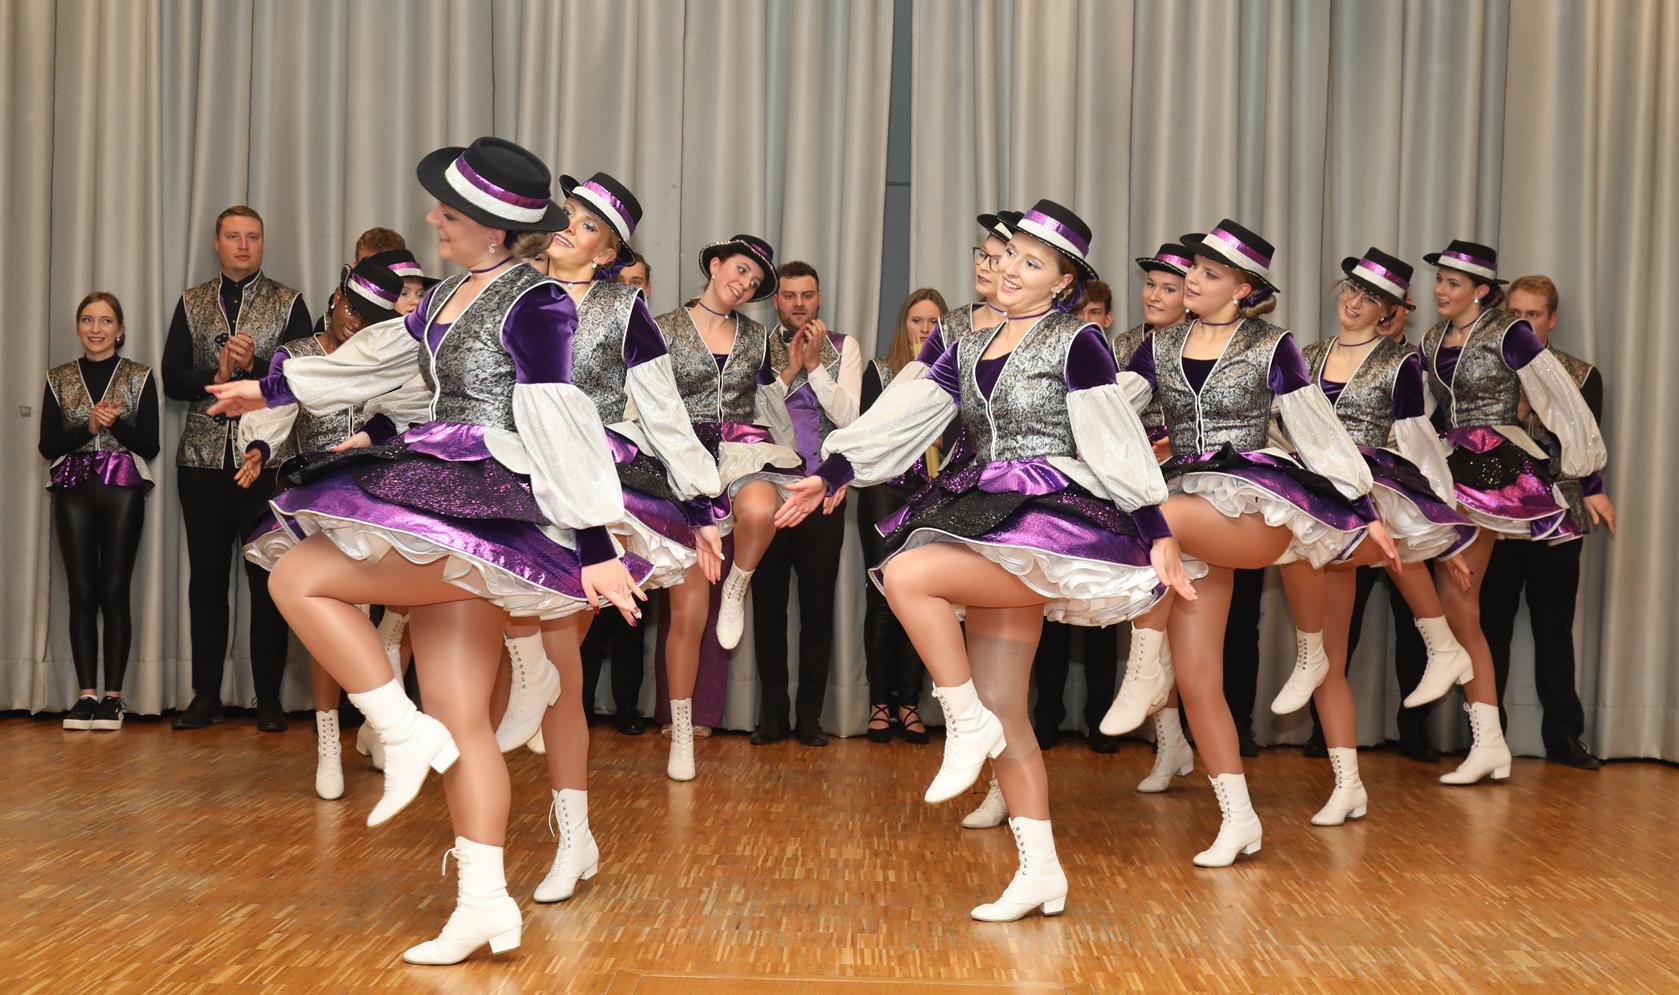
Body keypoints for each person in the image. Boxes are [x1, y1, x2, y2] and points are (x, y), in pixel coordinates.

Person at [209, 136, 648, 965]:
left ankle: (395, 726)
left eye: (446, 212)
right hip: (442, 491)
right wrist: (264, 388)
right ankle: (484, 902)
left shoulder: (537, 303)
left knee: (299, 574)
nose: (431, 221)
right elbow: (373, 361)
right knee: (461, 717)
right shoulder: (444, 293)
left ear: (488, 225)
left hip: (483, 498)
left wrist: (594, 543)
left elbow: (559, 420)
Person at [780, 199, 1196, 921]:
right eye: (1008, 255)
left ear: (1062, 282)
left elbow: (1112, 435)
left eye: (1032, 263)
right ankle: (1041, 871)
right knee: (1008, 707)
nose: (1010, 269)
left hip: (1045, 518)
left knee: (907, 574)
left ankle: (960, 716)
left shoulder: (1077, 341)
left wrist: (1155, 526)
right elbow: (907, 415)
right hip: (980, 512)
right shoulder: (966, 344)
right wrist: (836, 470)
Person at [1100, 220, 1399, 865]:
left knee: (1154, 513)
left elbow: (1316, 428)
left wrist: (1362, 504)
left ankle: (1143, 668)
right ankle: (1239, 820)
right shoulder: (1160, 345)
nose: (1192, 281)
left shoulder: (1272, 345)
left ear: (1241, 289)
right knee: (1200, 679)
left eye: (1208, 274)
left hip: (1251, 507)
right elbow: (1113, 407)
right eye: (1192, 270)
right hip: (1188, 513)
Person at [509, 170, 723, 903]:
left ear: (606, 254)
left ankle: (574, 837)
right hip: (509, 473)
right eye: (568, 212)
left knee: (560, 665)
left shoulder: (623, 309)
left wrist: (703, 499)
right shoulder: (510, 288)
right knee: (498, 655)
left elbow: (664, 412)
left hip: (587, 482)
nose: (569, 225)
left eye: (589, 224)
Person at [1277, 248, 1480, 825]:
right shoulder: (1308, 355)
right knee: (1329, 656)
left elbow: (1418, 442)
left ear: (1389, 311)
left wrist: (1444, 526)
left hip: (1371, 482)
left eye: (1370, 297)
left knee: (1385, 532)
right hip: (1315, 489)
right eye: (1351, 290)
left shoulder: (1400, 363)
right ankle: (1348, 784)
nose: (1354, 301)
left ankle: (1441, 643)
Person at [1417, 241, 1612, 785]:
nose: (1441, 290)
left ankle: (1490, 730)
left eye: (1454, 283)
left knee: (1467, 602)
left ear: (1481, 290)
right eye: (1440, 280)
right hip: (1452, 468)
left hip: (1498, 474)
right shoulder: (1432, 338)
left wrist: (1590, 478)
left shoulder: (1509, 334)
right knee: (1459, 602)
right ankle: (1486, 734)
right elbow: (1426, 413)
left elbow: (1561, 402)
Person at [235, 257, 405, 798]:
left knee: (390, 618)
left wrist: (373, 438)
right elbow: (273, 411)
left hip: (377, 493)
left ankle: (381, 727)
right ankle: (329, 743)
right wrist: (258, 449)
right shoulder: (298, 355)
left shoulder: (382, 357)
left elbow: (396, 414)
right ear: (336, 297)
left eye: (371, 318)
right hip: (319, 499)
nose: (356, 322)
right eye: (352, 309)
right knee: (336, 620)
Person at [651, 234, 800, 779]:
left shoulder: (758, 338)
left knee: (761, 512)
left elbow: (770, 403)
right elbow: (646, 401)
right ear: (714, 265)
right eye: (739, 271)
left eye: (754, 283)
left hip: (739, 451)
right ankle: (682, 731)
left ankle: (739, 583)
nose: (744, 284)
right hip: (680, 459)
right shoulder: (663, 327)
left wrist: (797, 466)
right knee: (688, 616)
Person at [162, 204, 311, 732]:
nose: (243, 245)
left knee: (267, 578)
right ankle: (205, 696)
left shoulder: (288, 302)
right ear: (217, 243)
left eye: (252, 236)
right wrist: (219, 371)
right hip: (201, 461)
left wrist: (255, 367)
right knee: (206, 580)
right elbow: (173, 379)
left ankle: (268, 698)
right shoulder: (192, 301)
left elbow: (304, 378)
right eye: (233, 236)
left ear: (263, 243)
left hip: (266, 461)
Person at [1478, 273, 1610, 770]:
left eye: (1531, 314)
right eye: (1513, 313)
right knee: (1490, 629)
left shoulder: (1581, 375)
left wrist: (1536, 405)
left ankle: (1564, 738)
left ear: (1551, 319)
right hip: (1496, 517)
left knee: (1555, 630)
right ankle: (1487, 740)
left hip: (1558, 517)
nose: (1521, 322)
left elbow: (1579, 449)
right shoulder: (1483, 370)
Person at [750, 261, 863, 747]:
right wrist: (789, 371)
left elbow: (851, 418)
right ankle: (772, 718)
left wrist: (815, 368)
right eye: (790, 295)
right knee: (767, 611)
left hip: (823, 495)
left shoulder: (844, 347)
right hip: (767, 495)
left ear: (819, 298)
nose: (799, 303)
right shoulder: (755, 344)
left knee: (818, 614)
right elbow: (750, 416)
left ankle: (811, 720)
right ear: (776, 300)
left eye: (808, 295)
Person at [40, 292, 159, 732]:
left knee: (114, 590)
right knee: (81, 592)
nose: (96, 328)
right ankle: (86, 694)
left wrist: (115, 425)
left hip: (121, 487)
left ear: (120, 329)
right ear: (78, 326)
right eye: (88, 319)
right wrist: (86, 428)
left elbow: (150, 445)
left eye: (106, 321)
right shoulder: (58, 378)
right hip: (72, 487)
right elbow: (47, 446)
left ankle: (113, 697)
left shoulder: (140, 376)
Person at [859, 287, 946, 745]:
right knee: (881, 594)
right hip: (885, 488)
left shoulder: (955, 372)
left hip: (933, 490)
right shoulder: (880, 371)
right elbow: (868, 431)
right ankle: (878, 703)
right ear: (903, 325)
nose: (924, 330)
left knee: (925, 595)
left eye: (934, 322)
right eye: (917, 321)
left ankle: (909, 702)